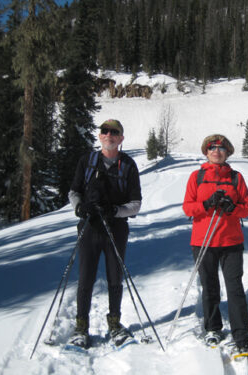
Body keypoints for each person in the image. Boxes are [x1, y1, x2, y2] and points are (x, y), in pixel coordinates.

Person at [67, 119, 142, 348]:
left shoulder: (128, 165)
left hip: (116, 228)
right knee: (86, 278)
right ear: (100, 136)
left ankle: (115, 324)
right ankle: (81, 327)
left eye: (114, 132)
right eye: (105, 131)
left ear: (121, 138)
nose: (109, 135)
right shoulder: (87, 161)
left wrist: (116, 211)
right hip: (90, 226)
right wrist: (80, 207)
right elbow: (74, 191)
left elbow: (136, 204)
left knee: (114, 278)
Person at [182, 134, 248, 353]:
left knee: (235, 288)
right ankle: (213, 327)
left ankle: (241, 334)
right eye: (212, 147)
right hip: (203, 241)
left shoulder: (236, 178)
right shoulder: (197, 177)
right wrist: (206, 203)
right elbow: (187, 208)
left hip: (231, 241)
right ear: (206, 152)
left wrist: (233, 208)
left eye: (221, 148)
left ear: (227, 152)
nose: (216, 151)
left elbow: (246, 209)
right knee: (209, 286)